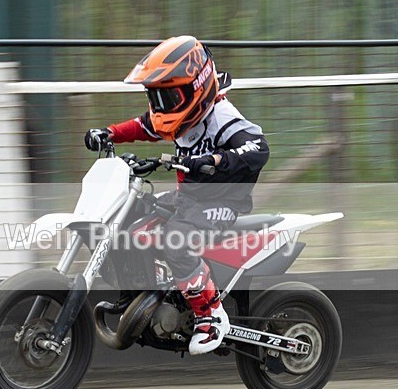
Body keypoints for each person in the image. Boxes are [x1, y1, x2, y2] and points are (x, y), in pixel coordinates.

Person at [84, 35, 270, 355]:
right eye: (157, 97)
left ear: (196, 86)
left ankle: (210, 315)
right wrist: (110, 133)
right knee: (134, 220)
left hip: (221, 204)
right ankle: (147, 294)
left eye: (168, 97)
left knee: (177, 240)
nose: (161, 107)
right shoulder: (181, 115)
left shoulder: (221, 118)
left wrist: (213, 161)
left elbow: (258, 149)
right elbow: (146, 126)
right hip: (189, 199)